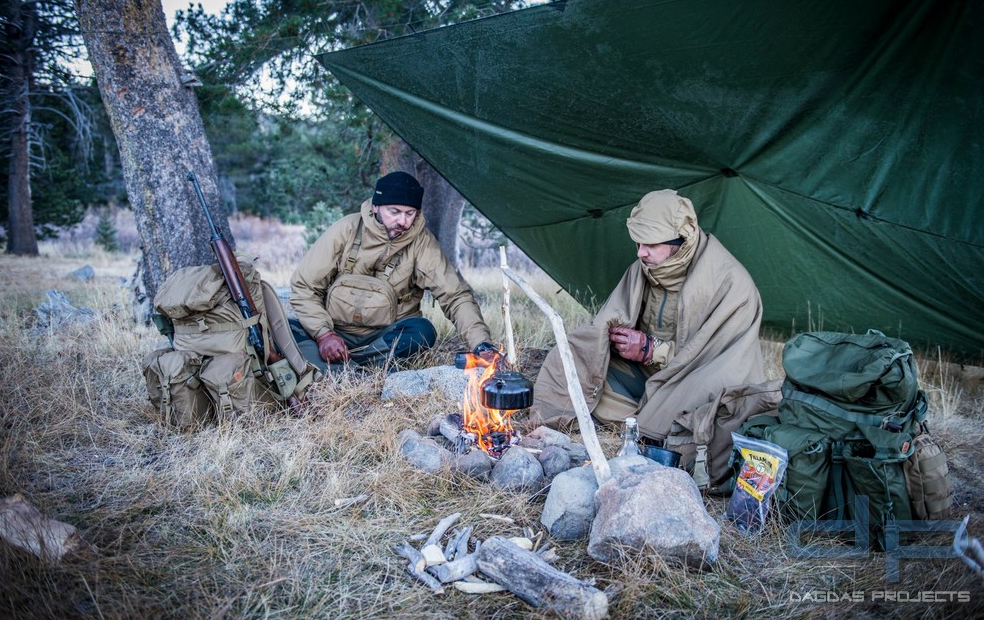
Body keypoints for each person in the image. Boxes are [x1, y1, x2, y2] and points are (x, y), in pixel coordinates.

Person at [530, 189, 765, 447]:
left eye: (651, 244)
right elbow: (605, 324)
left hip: (694, 381)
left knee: (699, 412)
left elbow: (717, 364)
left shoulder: (731, 285)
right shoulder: (645, 268)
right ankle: (647, 424)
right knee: (575, 365)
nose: (641, 253)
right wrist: (611, 340)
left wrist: (654, 351)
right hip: (647, 377)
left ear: (681, 241)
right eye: (638, 244)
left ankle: (649, 427)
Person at [289, 171, 495, 372]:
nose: (403, 222)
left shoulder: (422, 243)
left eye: (409, 213)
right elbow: (304, 286)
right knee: (283, 329)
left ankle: (341, 369)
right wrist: (323, 335)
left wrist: (481, 344)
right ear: (376, 207)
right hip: (335, 331)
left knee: (422, 332)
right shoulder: (345, 230)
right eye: (394, 212)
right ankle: (362, 369)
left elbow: (455, 296)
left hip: (385, 338)